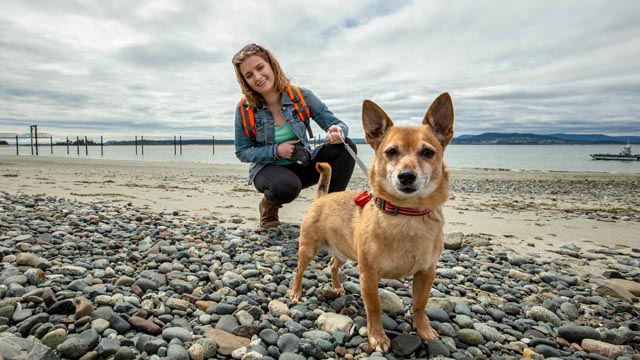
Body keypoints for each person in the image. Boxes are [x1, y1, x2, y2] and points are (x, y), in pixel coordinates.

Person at [232, 43, 357, 227]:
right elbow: (242, 152)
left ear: (271, 65)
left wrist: (336, 131)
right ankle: (269, 204)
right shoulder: (244, 108)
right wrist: (276, 151)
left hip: (302, 163)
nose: (257, 77)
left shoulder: (301, 95)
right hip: (267, 170)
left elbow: (335, 123)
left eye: (260, 68)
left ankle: (329, 212)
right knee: (286, 188)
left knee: (346, 146)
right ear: (244, 81)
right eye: (249, 75)